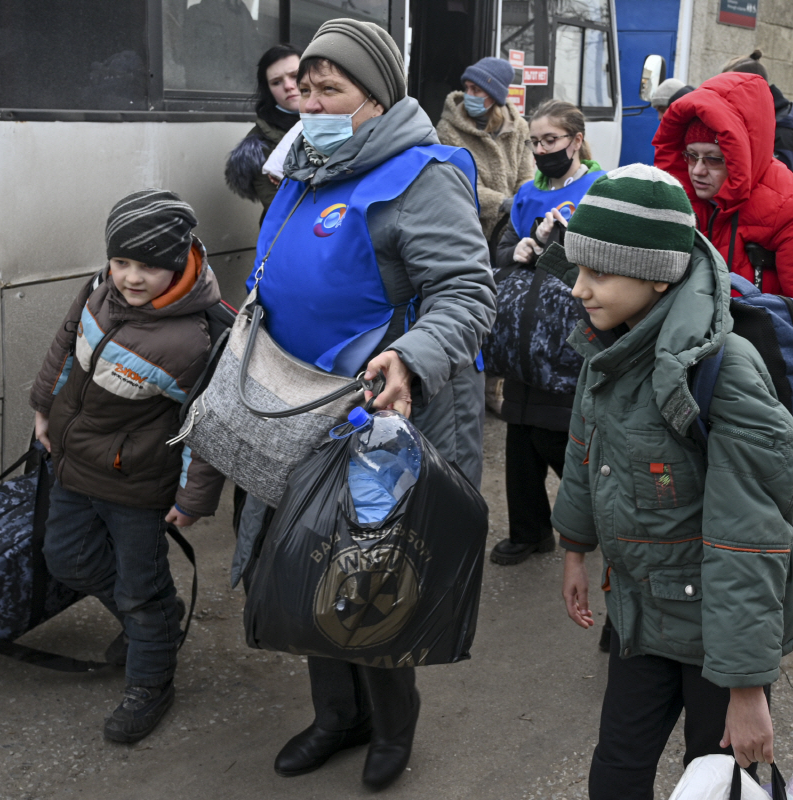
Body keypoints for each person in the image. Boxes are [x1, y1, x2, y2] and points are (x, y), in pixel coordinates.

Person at [233, 19, 495, 791]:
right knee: (304, 558)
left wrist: (411, 357)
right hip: (297, 409)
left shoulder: (422, 176)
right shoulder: (305, 168)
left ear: (376, 97)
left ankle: (391, 725)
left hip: (381, 416)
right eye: (304, 88)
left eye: (331, 89)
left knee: (369, 573)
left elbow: (467, 294)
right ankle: (336, 716)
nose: (310, 102)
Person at [550, 164, 793, 800]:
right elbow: (585, 450)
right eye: (577, 269)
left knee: (717, 780)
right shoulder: (608, 345)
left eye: (598, 273)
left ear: (657, 274)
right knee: (616, 773)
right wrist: (575, 549)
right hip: (641, 614)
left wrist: (745, 688)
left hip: (716, 632)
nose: (579, 289)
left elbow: (747, 537)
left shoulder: (722, 370)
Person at [30, 190, 227, 743]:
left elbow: (207, 426)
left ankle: (150, 684)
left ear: (178, 263)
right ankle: (157, 623)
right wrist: (44, 408)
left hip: (137, 486)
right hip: (74, 461)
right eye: (121, 261)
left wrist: (191, 498)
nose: (131, 278)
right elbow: (65, 345)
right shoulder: (99, 289)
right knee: (66, 558)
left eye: (148, 266)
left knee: (142, 590)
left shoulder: (194, 340)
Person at [485, 98, 604, 565]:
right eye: (534, 142)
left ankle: (597, 522)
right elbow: (501, 252)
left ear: (576, 140)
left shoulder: (601, 190)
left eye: (550, 140)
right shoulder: (526, 194)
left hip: (568, 339)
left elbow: (610, 261)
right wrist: (519, 248)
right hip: (523, 337)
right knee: (519, 435)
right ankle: (529, 532)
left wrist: (568, 242)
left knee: (557, 435)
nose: (540, 150)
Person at [653, 72, 793, 318]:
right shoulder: (679, 201)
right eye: (691, 156)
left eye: (714, 159)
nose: (698, 170)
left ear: (740, 156)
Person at [437, 56, 534, 239]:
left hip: (508, 230)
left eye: (476, 90)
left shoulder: (519, 128)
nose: (469, 95)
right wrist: (501, 203)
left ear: (494, 95)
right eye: (467, 88)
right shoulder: (448, 130)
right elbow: (458, 185)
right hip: (466, 231)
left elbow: (526, 175)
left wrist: (524, 200)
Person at [224, 44, 302, 214]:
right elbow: (282, 210)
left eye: (295, 76)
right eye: (276, 82)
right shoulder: (259, 145)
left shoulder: (344, 116)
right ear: (268, 90)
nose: (288, 86)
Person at [723, 50, 793, 170]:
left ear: (750, 88)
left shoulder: (783, 133)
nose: (724, 94)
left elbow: (776, 176)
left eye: (729, 86)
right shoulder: (754, 122)